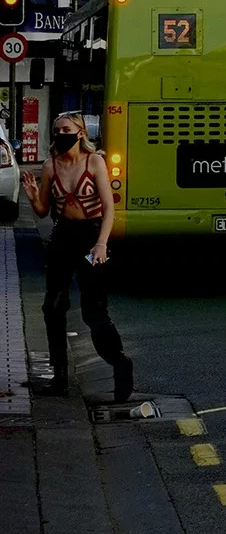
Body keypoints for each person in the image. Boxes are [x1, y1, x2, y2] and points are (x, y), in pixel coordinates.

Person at [20, 111, 133, 401]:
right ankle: (60, 378)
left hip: (90, 235)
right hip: (63, 236)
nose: (60, 134)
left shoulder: (94, 162)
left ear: (80, 132)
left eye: (66, 129)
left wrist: (101, 244)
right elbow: (44, 211)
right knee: (53, 307)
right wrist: (33, 196)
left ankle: (120, 365)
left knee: (93, 311)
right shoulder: (49, 167)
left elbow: (109, 208)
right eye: (56, 130)